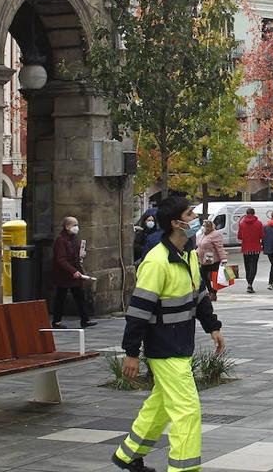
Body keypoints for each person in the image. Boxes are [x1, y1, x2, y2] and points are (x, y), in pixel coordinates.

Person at [111, 196, 223, 472]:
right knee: (187, 411)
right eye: (190, 215)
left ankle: (127, 455)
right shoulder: (157, 262)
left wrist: (213, 326)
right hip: (164, 347)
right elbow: (138, 311)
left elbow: (199, 295)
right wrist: (131, 353)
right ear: (176, 223)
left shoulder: (187, 255)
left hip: (179, 343)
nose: (195, 219)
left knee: (161, 404)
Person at [52, 216, 97, 330]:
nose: (76, 228)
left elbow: (74, 255)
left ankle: (85, 319)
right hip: (64, 275)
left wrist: (81, 255)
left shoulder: (74, 239)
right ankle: (56, 321)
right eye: (74, 225)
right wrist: (73, 271)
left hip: (74, 274)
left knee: (80, 296)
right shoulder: (61, 240)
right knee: (60, 298)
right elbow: (61, 259)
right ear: (67, 226)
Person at [196, 219, 228, 299]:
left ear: (209, 227)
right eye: (203, 226)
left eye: (204, 226)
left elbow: (219, 247)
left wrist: (223, 258)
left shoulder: (215, 235)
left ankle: (213, 292)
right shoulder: (202, 235)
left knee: (214, 277)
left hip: (212, 258)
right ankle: (211, 291)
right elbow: (200, 246)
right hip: (203, 259)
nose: (203, 228)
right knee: (203, 275)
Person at [237, 208, 264, 294]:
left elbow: (239, 236)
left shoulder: (242, 224)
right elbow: (262, 235)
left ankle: (248, 280)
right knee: (254, 265)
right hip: (256, 247)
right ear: (254, 213)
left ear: (246, 213)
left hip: (246, 248)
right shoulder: (259, 223)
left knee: (247, 266)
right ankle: (250, 283)